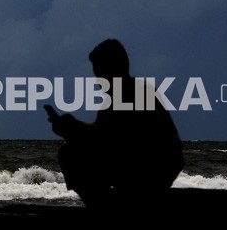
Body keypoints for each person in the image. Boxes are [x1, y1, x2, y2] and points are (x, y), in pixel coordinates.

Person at [46, 38, 184, 209]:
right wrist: (72, 129)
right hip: (144, 164)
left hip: (152, 168)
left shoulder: (134, 94)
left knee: (69, 153)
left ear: (114, 69)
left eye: (101, 74)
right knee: (71, 150)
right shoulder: (119, 97)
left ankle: (103, 207)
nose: (98, 81)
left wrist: (73, 129)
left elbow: (110, 139)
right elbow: (102, 135)